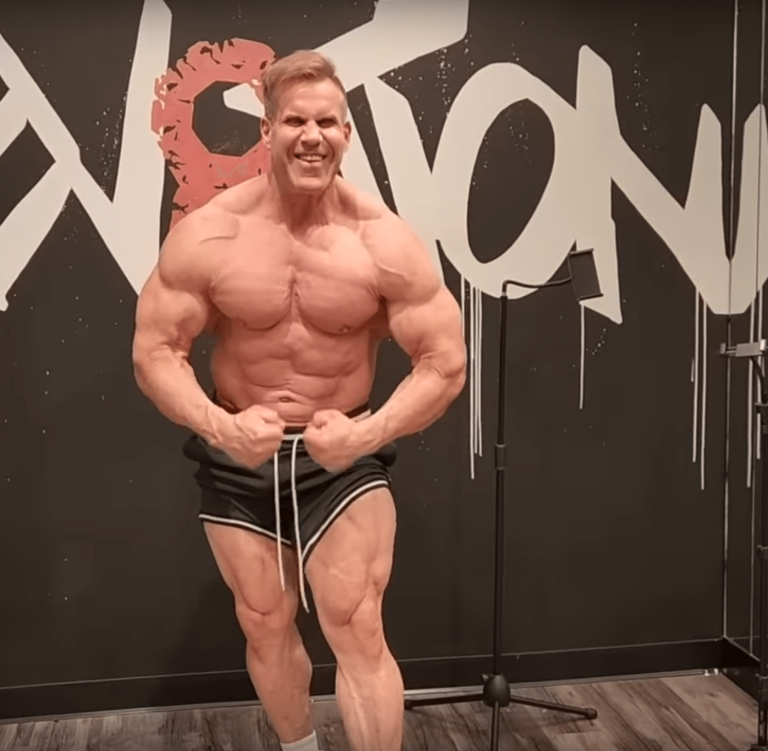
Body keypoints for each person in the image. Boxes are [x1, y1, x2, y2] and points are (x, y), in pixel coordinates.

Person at [131, 49, 466, 751]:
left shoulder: (382, 240)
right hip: (238, 456)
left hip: (341, 458)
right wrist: (218, 425)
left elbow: (445, 362)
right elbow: (155, 352)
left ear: (347, 133)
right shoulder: (211, 232)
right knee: (263, 620)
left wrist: (367, 434)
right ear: (267, 130)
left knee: (358, 624)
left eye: (326, 122)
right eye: (294, 121)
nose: (311, 136)